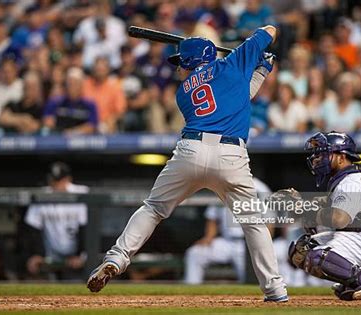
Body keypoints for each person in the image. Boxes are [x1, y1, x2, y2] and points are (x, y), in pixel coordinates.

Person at [87, 25, 288, 302]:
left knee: (154, 208)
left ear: (192, 62)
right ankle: (275, 289)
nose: (179, 67)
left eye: (182, 62)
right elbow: (270, 29)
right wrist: (258, 61)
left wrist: (258, 68)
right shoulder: (232, 64)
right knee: (253, 222)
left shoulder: (183, 92)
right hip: (231, 156)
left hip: (190, 152)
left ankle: (117, 258)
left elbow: (238, 95)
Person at [287, 131, 361, 300]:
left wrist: (308, 210)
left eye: (324, 153)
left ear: (341, 157)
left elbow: (339, 219)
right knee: (302, 249)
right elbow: (318, 218)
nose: (318, 158)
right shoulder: (347, 178)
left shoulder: (351, 181)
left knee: (317, 254)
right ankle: (352, 282)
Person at [184, 178, 270, 284]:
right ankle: (190, 293)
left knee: (253, 281)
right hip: (226, 242)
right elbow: (212, 217)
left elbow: (270, 220)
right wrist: (209, 237)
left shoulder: (260, 188)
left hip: (249, 244)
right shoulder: (222, 186)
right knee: (195, 253)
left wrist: (263, 243)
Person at [25, 162, 89, 280]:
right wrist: (37, 254)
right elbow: (32, 228)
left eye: (60, 180)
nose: (56, 184)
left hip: (76, 253)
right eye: (54, 180)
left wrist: (80, 254)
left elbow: (86, 228)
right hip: (50, 254)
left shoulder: (81, 193)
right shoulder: (42, 195)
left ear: (68, 179)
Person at [42, 67, 98, 135]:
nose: (72, 86)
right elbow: (47, 121)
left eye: (75, 83)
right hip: (58, 140)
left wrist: (72, 132)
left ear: (81, 85)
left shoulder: (90, 104)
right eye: (70, 83)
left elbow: (91, 126)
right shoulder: (55, 102)